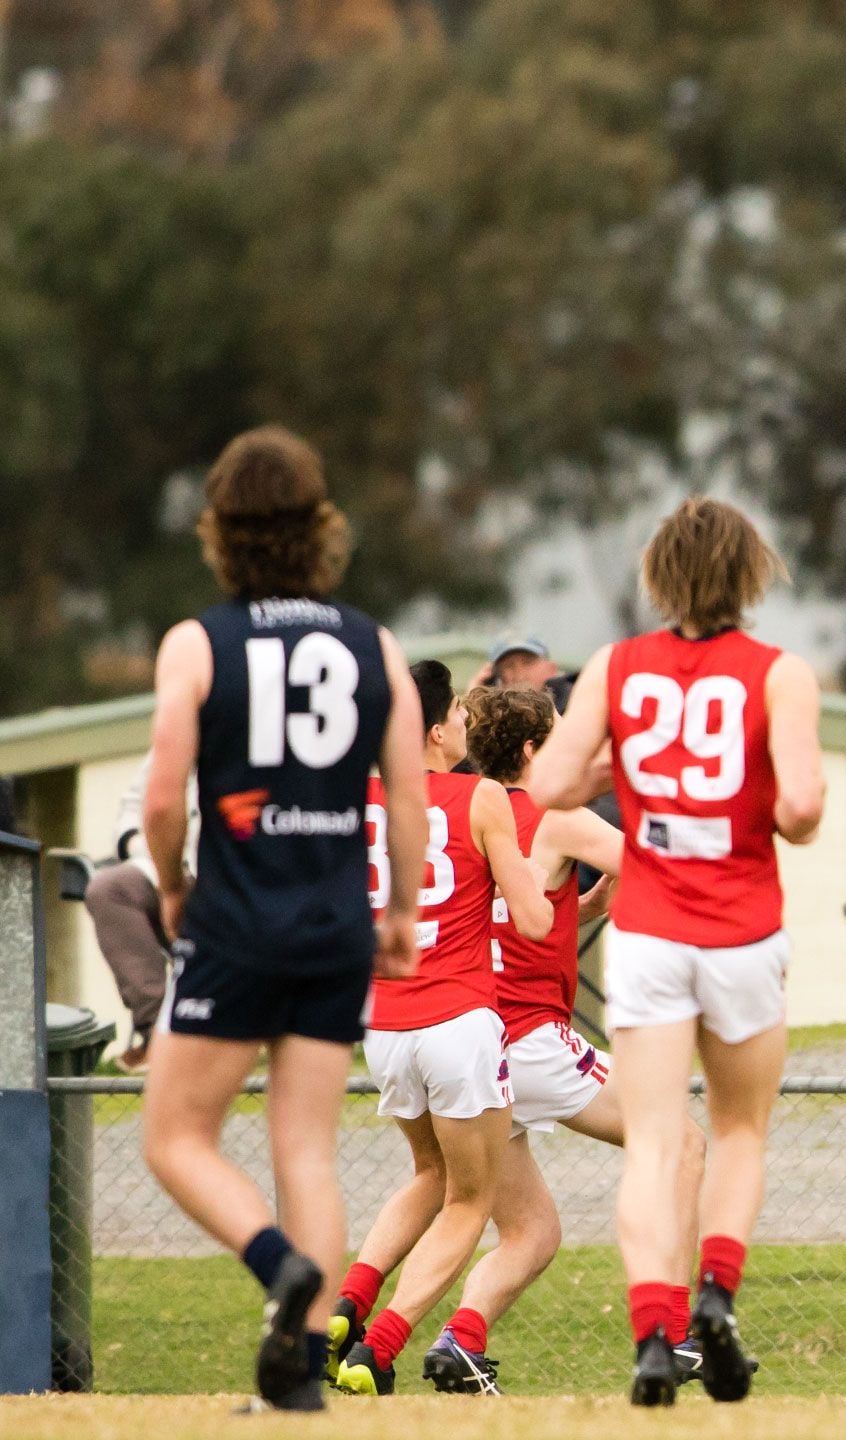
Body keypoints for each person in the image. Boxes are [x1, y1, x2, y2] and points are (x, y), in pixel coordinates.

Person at [137, 425, 423, 1412]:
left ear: (219, 530)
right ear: (319, 529)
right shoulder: (372, 643)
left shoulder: (198, 642)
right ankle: (300, 1380)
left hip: (236, 922)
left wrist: (172, 882)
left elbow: (164, 791)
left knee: (175, 1136)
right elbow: (411, 788)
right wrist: (403, 908)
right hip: (338, 924)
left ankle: (275, 1265)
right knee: (307, 1149)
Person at [527, 496, 826, 1406]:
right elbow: (804, 811)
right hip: (741, 930)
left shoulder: (617, 667)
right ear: (750, 573)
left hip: (650, 934)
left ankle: (652, 1332)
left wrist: (614, 764)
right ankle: (717, 1296)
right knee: (738, 1130)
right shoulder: (780, 676)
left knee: (654, 1141)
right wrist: (766, 793)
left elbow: (545, 784)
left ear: (659, 576)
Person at [416, 683, 713, 1392]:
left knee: (531, 1232)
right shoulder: (552, 814)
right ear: (530, 751)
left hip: (477, 1045)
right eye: (559, 738)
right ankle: (673, 1334)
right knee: (682, 1144)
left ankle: (461, 1341)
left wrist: (578, 907)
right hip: (531, 1040)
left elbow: (507, 921)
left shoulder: (468, 816)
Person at [331, 660, 556, 1396]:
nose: (467, 720)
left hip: (385, 1023)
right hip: (459, 1020)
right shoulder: (482, 796)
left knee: (430, 1174)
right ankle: (378, 1351)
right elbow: (530, 919)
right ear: (434, 730)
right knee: (471, 1198)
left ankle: (348, 1305)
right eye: (458, 709)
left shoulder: (361, 798)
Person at [87, 748, 196, 1071]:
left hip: (235, 878)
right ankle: (156, 1032)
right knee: (109, 888)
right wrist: (145, 849)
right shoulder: (178, 734)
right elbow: (135, 807)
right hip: (162, 867)